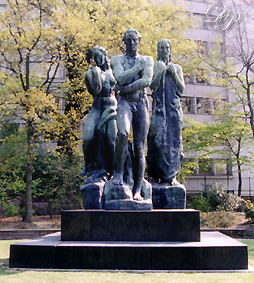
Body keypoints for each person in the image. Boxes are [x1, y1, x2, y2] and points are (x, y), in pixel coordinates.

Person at [110, 27, 154, 200]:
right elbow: (119, 77)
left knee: (139, 147)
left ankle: (137, 189)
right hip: (125, 103)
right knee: (122, 133)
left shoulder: (147, 59)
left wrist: (125, 88)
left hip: (141, 102)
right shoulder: (116, 59)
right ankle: (118, 174)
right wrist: (137, 68)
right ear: (124, 42)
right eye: (128, 40)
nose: (132, 43)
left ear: (139, 41)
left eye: (135, 39)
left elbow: (146, 81)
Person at [147, 39, 185, 185]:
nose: (164, 50)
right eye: (161, 48)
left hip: (173, 110)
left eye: (166, 48)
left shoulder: (177, 68)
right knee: (156, 140)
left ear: (170, 50)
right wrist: (160, 73)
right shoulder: (155, 66)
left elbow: (181, 90)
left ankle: (172, 176)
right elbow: (152, 87)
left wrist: (174, 74)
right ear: (158, 50)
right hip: (159, 110)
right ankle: (155, 175)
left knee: (174, 142)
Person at [83, 45, 117, 182]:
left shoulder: (114, 71)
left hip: (112, 108)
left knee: (110, 140)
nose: (97, 59)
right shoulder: (91, 73)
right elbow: (96, 90)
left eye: (99, 56)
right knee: (88, 137)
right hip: (97, 108)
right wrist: (97, 75)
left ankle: (114, 171)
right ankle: (88, 166)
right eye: (95, 57)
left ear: (105, 55)